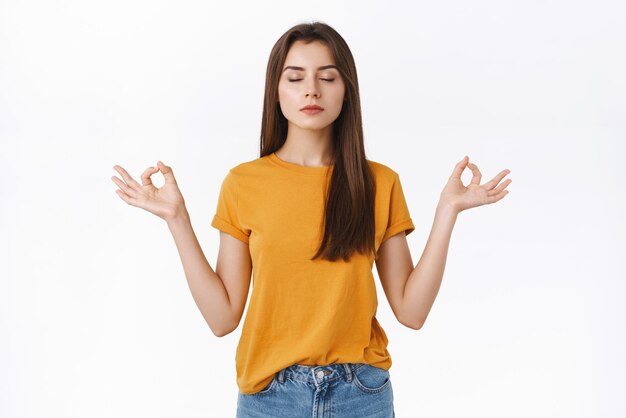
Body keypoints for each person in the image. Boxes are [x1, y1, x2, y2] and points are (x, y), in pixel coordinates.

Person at [111, 21, 511, 418]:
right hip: (270, 398)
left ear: (346, 91)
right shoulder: (243, 183)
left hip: (361, 395)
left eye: (328, 77)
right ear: (276, 91)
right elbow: (222, 318)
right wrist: (177, 219)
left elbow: (412, 311)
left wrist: (448, 211)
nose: (311, 90)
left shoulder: (379, 183)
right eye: (295, 77)